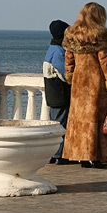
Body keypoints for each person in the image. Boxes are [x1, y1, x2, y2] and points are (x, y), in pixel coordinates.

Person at [61, 2, 107, 168]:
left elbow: (68, 59)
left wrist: (70, 75)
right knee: (97, 121)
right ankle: (96, 157)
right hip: (97, 84)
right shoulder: (100, 34)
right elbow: (106, 62)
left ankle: (82, 157)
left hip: (78, 84)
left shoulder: (72, 33)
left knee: (80, 122)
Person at [42, 19, 71, 165]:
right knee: (61, 124)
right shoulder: (59, 51)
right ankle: (60, 155)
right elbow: (65, 74)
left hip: (52, 93)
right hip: (60, 93)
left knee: (55, 123)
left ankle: (53, 154)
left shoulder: (51, 49)